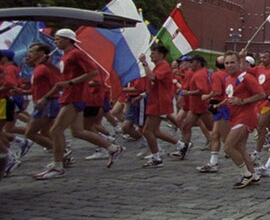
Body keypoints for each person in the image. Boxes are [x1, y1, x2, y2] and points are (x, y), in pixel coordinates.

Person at [35, 29, 124, 179]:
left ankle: (58, 166)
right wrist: (50, 66)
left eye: (58, 39)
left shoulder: (77, 53)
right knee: (78, 131)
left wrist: (71, 83)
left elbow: (93, 72)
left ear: (67, 40)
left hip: (75, 96)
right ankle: (113, 148)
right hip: (71, 96)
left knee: (56, 130)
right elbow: (63, 75)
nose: (55, 42)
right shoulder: (66, 55)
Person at [217, 52, 266, 188]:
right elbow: (232, 96)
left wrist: (243, 101)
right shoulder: (228, 79)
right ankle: (254, 175)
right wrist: (221, 104)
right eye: (227, 63)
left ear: (239, 63)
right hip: (235, 116)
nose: (229, 65)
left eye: (232, 62)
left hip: (246, 117)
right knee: (240, 147)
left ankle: (246, 174)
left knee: (228, 147)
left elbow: (261, 94)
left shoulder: (246, 78)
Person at [137, 43, 178, 168]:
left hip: (159, 101)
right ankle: (180, 145)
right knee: (154, 131)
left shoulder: (163, 66)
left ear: (161, 55)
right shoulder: (159, 66)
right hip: (156, 100)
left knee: (147, 131)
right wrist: (143, 95)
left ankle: (157, 157)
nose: (150, 55)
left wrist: (144, 63)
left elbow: (152, 78)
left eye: (153, 53)